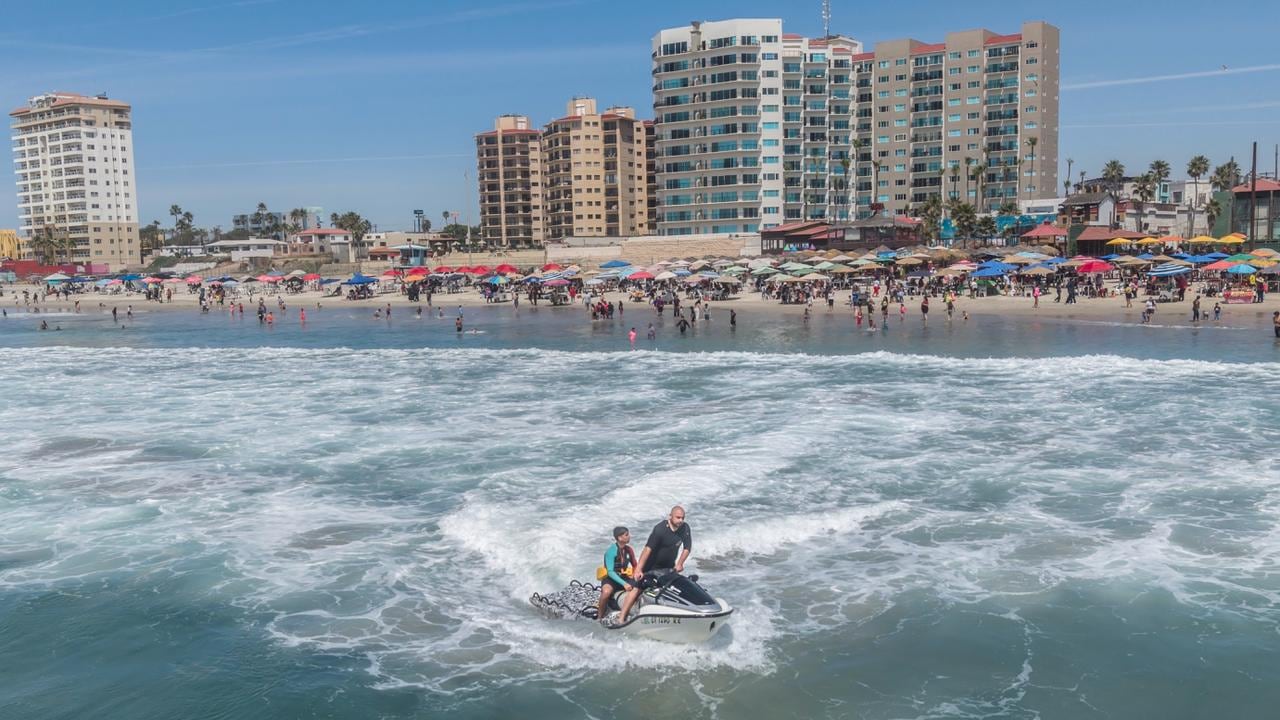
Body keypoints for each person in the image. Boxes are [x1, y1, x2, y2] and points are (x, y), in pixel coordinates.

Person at [597, 526, 641, 625]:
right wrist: (624, 584)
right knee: (606, 592)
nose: (629, 536)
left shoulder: (629, 550)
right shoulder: (611, 551)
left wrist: (637, 575)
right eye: (626, 535)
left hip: (624, 577)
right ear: (620, 538)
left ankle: (633, 610)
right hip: (611, 579)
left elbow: (635, 566)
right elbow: (610, 572)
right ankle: (599, 617)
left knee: (640, 587)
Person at [636, 506, 692, 577]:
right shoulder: (660, 529)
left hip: (669, 567)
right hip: (651, 567)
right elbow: (647, 549)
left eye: (682, 518)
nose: (681, 520)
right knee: (637, 587)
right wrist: (638, 570)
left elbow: (687, 547)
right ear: (670, 516)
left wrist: (680, 564)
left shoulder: (685, 528)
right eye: (678, 517)